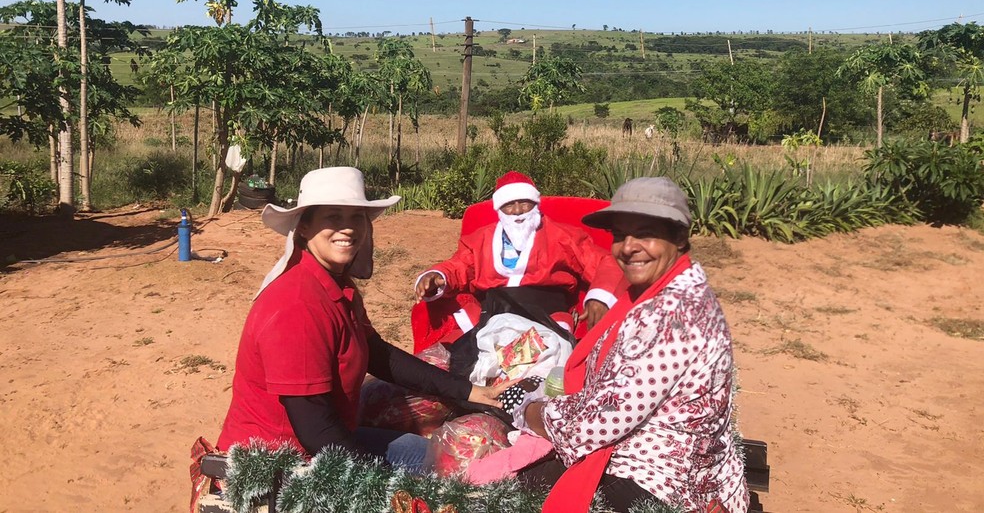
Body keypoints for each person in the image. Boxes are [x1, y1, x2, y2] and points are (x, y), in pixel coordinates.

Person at [216, 167, 509, 473]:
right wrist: (383, 482)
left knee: (432, 455)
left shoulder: (334, 286)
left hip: (329, 440)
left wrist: (466, 390)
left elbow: (379, 354)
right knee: (440, 471)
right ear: (303, 227)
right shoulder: (297, 305)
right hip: (283, 464)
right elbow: (314, 430)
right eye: (333, 216)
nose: (348, 228)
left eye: (356, 217)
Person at [511, 177, 749, 513]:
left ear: (679, 237)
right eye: (620, 235)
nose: (628, 247)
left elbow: (603, 420)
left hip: (661, 480)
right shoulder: (658, 292)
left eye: (645, 234)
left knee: (510, 482)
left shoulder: (674, 315)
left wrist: (529, 410)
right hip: (657, 450)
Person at [411, 171, 624, 352]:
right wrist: (438, 276)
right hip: (493, 314)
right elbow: (458, 266)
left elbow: (605, 261)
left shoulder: (562, 236)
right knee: (464, 359)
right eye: (509, 205)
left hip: (547, 316)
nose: (518, 211)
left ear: (535, 204)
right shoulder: (480, 239)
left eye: (524, 202)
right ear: (499, 209)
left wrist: (600, 297)